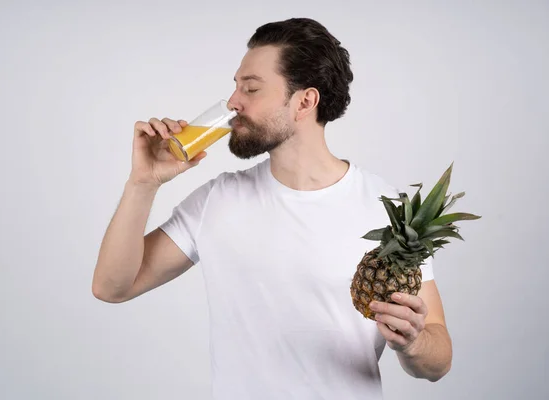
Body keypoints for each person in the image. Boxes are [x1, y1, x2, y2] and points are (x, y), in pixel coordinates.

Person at [92, 17, 452, 399]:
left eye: (251, 88)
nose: (233, 102)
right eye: (235, 87)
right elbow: (112, 287)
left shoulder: (389, 211)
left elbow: (438, 358)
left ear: (304, 102)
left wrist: (411, 343)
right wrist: (143, 183)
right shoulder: (218, 199)